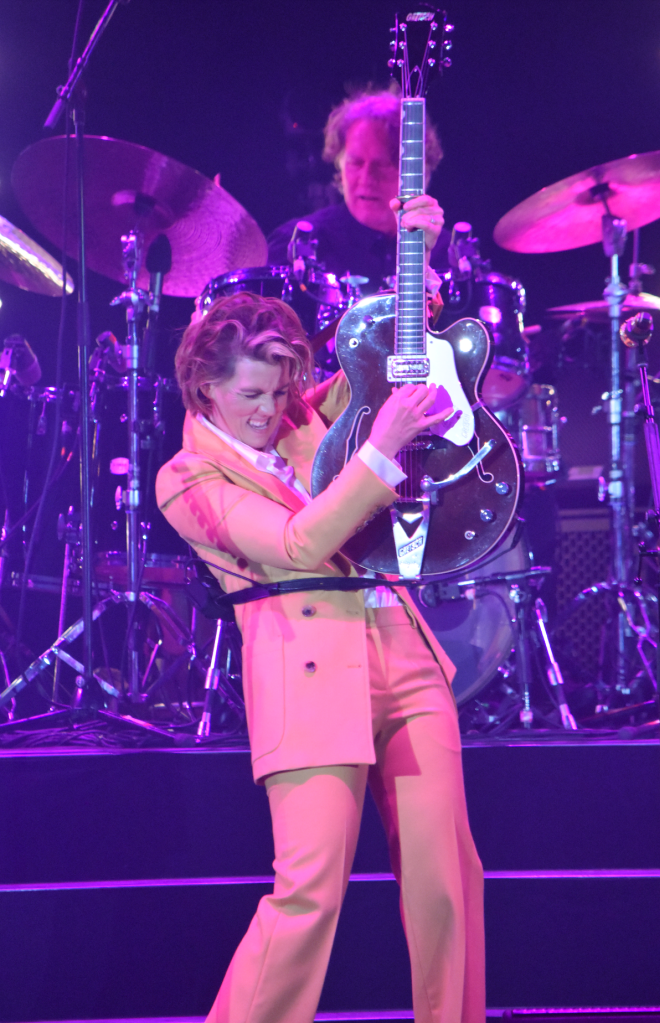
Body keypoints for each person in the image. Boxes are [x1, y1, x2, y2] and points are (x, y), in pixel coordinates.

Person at [156, 288, 486, 1023]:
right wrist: (377, 451)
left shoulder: (302, 415)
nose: (267, 409)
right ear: (204, 384)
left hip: (402, 653)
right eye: (249, 393)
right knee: (308, 892)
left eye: (278, 390)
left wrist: (415, 261)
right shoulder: (185, 477)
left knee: (447, 879)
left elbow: (377, 368)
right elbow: (300, 544)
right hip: (306, 675)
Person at [268, 88, 450, 291]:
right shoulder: (294, 245)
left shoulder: (445, 253)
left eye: (382, 165)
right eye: (355, 163)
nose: (366, 178)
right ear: (338, 164)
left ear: (418, 171)